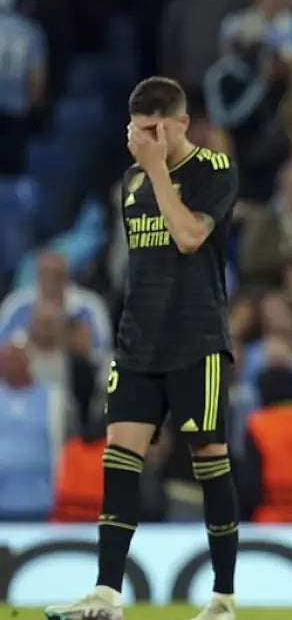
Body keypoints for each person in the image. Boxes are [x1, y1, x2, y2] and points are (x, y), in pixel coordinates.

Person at [46, 77, 241, 620]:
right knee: (119, 457)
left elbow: (189, 238)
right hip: (138, 343)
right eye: (137, 131)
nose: (145, 142)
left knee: (209, 458)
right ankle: (107, 594)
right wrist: (149, 170)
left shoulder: (214, 170)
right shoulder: (130, 182)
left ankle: (223, 597)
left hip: (196, 340)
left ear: (181, 124)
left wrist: (157, 170)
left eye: (155, 130)